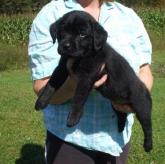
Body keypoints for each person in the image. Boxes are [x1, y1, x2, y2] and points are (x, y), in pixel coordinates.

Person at [28, 0, 153, 163]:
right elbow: (45, 82)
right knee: (63, 70)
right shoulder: (51, 13)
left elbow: (144, 70)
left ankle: (147, 135)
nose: (66, 42)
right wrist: (69, 85)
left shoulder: (128, 16)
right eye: (63, 34)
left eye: (81, 35)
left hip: (118, 139)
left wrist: (132, 100)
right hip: (70, 141)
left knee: (143, 116)